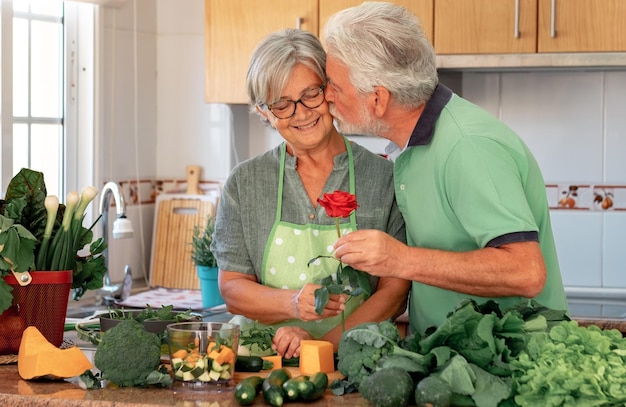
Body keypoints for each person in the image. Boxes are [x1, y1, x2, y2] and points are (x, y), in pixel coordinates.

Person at [323, 2, 569, 334]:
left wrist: (401, 260)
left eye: (334, 86)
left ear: (378, 99)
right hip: (456, 364)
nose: (327, 96)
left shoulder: (468, 147)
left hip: (510, 367)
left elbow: (525, 271)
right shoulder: (415, 146)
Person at [210, 28, 409, 358]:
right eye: (282, 104)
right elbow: (232, 287)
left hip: (352, 359)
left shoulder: (383, 178)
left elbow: (395, 289)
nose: (301, 113)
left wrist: (322, 346)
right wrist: (292, 302)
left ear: (330, 90)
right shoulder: (245, 183)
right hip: (258, 365)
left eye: (311, 94)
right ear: (264, 111)